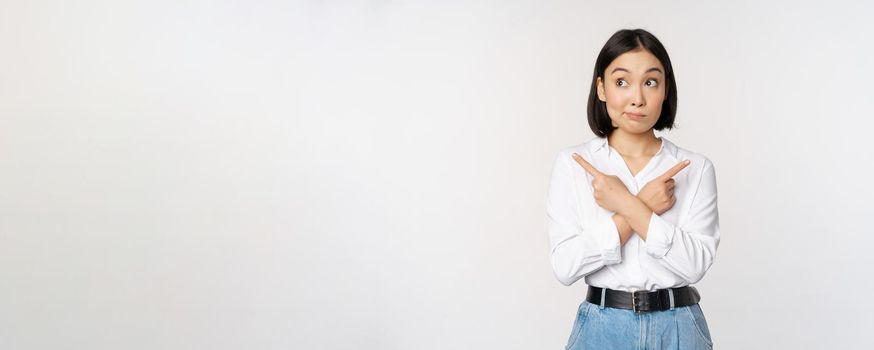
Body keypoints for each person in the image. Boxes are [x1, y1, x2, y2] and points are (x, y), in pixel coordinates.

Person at [546, 28, 720, 349]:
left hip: (679, 326)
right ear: (601, 88)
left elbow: (694, 266)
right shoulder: (573, 163)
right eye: (621, 82)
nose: (637, 98)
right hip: (602, 327)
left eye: (650, 82)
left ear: (665, 89)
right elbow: (565, 266)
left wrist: (625, 203)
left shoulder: (696, 168)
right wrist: (639, 206)